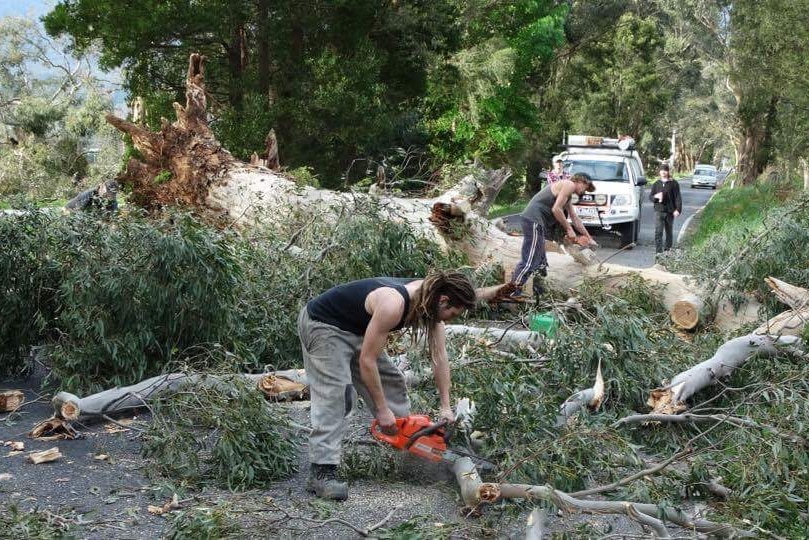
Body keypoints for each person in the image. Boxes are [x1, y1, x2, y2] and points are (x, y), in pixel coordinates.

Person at [298, 270, 506, 500]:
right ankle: (321, 471)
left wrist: (446, 406)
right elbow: (367, 361)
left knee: (392, 382)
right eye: (452, 314)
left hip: (358, 329)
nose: (449, 319)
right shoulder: (393, 304)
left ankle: (412, 452)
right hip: (325, 326)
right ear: (443, 301)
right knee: (339, 397)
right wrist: (381, 410)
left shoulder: (433, 296)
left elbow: (439, 357)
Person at [510, 173, 597, 297]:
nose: (584, 191)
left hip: (537, 223)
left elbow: (575, 218)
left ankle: (539, 296)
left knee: (541, 262)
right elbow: (556, 209)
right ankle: (512, 292)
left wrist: (589, 238)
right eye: (586, 187)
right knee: (530, 261)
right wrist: (568, 229)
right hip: (533, 220)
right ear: (581, 181)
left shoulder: (568, 195)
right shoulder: (569, 184)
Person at [649, 163, 682, 254]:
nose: (663, 172)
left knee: (669, 232)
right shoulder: (656, 184)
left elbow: (678, 197)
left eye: (665, 170)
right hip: (659, 211)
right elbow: (650, 197)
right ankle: (658, 253)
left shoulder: (674, 183)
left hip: (670, 212)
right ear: (659, 172)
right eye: (661, 170)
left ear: (668, 172)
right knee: (658, 232)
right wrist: (656, 197)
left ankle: (667, 252)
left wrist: (678, 209)